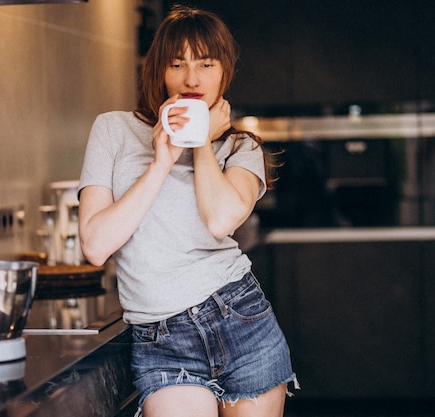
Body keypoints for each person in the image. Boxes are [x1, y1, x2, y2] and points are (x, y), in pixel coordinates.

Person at [78, 5, 297, 417]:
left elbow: (220, 219)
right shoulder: (113, 130)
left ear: (224, 72)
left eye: (205, 63)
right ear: (159, 71)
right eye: (177, 64)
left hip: (241, 319)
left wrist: (200, 142)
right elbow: (95, 245)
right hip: (163, 340)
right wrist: (161, 161)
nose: (191, 78)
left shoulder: (240, 148)